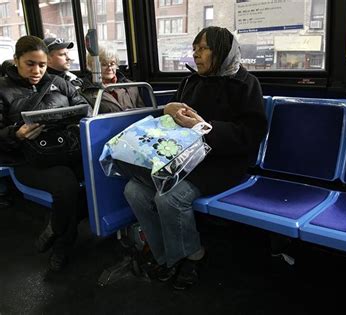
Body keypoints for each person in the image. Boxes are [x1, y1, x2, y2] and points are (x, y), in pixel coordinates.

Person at [123, 26, 267, 289]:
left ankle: (192, 254)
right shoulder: (190, 82)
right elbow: (171, 126)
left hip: (223, 162)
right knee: (133, 190)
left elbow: (251, 134)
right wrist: (167, 110)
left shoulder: (246, 84)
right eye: (194, 49)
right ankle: (165, 254)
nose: (196, 55)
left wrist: (204, 127)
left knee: (170, 197)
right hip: (184, 157)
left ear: (221, 50)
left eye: (203, 48)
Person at [0, 35, 90, 271]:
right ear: (16, 60)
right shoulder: (2, 90)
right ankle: (63, 243)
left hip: (66, 150)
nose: (37, 70)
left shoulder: (59, 83)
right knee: (67, 185)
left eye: (41, 64)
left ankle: (54, 224)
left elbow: (85, 109)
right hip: (26, 160)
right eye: (30, 64)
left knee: (102, 175)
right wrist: (16, 135)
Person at [81, 44, 145, 113]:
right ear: (93, 66)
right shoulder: (85, 93)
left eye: (112, 63)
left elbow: (143, 114)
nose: (109, 68)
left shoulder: (131, 87)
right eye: (104, 64)